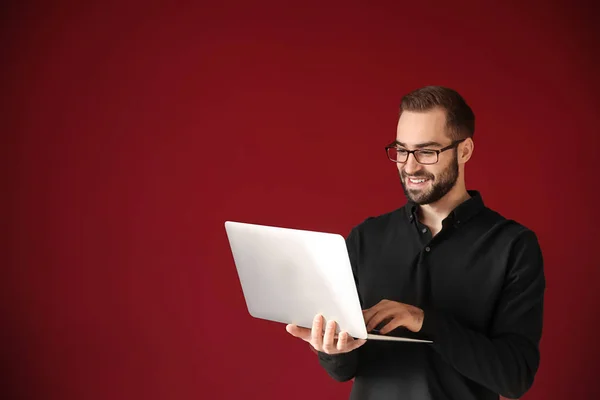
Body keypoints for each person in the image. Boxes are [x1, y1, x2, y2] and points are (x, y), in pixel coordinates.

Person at [285, 86, 545, 400]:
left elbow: (515, 377)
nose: (410, 166)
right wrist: (331, 349)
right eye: (401, 150)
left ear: (464, 151)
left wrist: (423, 321)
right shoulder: (366, 237)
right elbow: (345, 372)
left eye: (426, 152)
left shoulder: (513, 246)